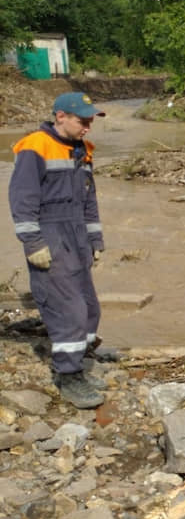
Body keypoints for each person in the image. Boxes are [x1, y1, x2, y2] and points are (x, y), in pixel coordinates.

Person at [8, 92, 107, 409]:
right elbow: (22, 200)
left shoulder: (82, 150)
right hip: (51, 235)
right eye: (83, 121)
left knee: (90, 308)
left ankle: (81, 362)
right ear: (61, 116)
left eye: (90, 122)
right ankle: (69, 376)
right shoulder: (36, 146)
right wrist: (33, 244)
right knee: (69, 313)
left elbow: (89, 201)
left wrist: (95, 240)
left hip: (76, 235)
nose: (88, 128)